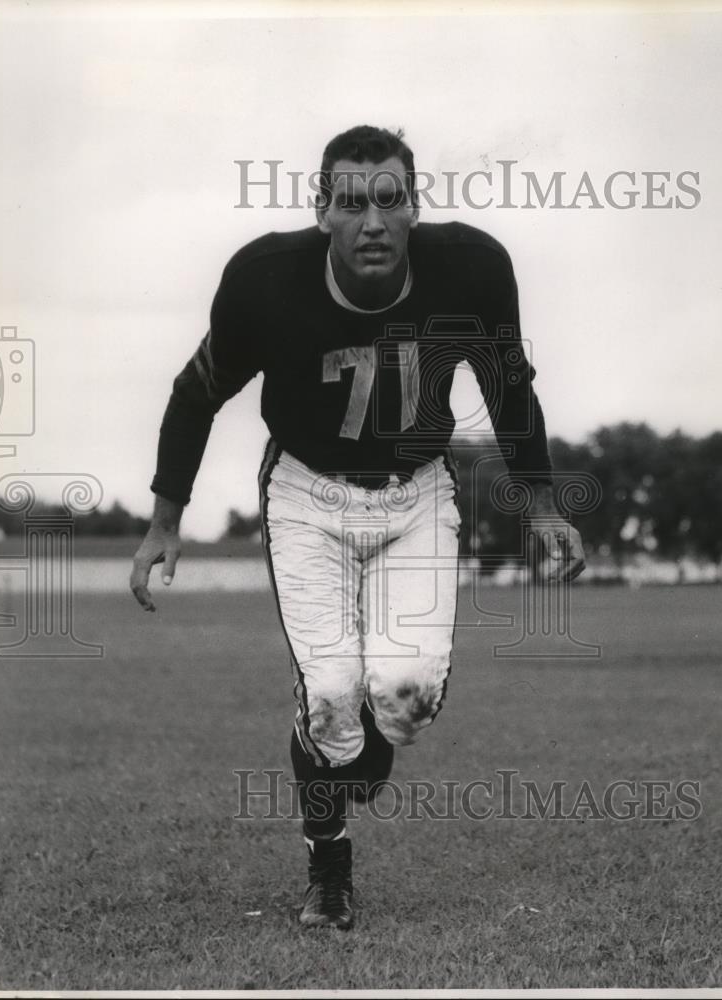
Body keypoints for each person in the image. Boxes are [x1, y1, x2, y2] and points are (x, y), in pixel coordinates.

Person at [130, 125, 585, 931]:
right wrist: (166, 519)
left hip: (415, 495)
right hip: (307, 495)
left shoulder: (472, 270)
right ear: (321, 214)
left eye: (387, 201)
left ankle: (334, 740)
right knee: (334, 700)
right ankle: (328, 863)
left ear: (413, 208)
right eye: (350, 204)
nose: (371, 221)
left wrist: (542, 505)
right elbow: (196, 391)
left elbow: (510, 390)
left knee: (401, 703)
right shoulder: (265, 279)